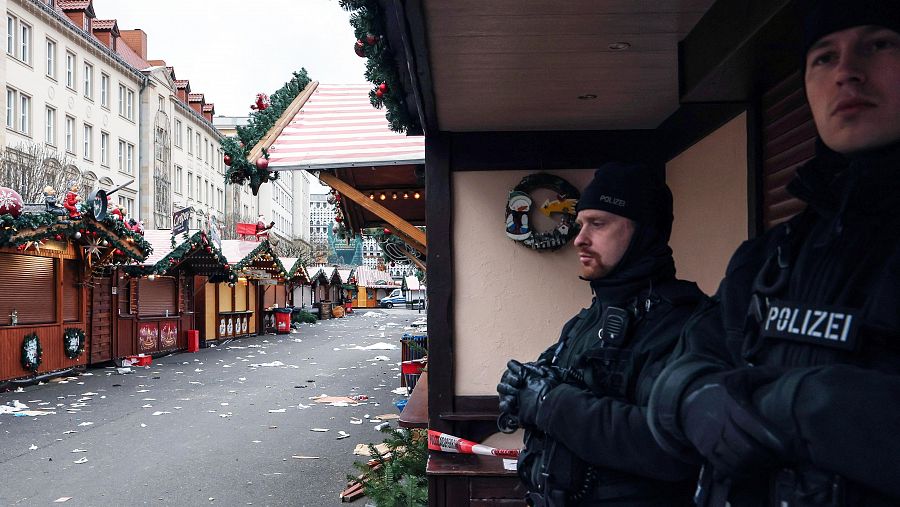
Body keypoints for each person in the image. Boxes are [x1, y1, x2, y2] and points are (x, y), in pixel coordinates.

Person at [647, 1, 900, 505]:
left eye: (878, 44)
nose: (848, 72)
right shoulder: (769, 258)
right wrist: (691, 397)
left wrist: (797, 404)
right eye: (823, 58)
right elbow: (679, 370)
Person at [497, 162, 705, 506]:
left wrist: (550, 403)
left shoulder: (686, 323)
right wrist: (523, 389)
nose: (580, 238)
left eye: (599, 223)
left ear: (644, 230)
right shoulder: (589, 319)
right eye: (580, 224)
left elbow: (671, 447)